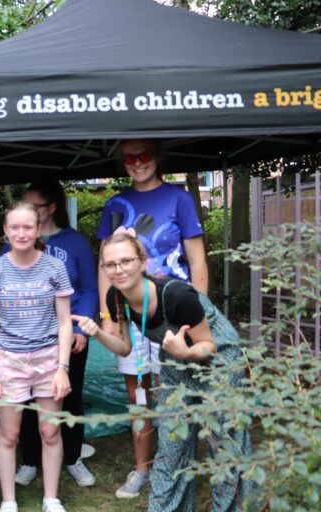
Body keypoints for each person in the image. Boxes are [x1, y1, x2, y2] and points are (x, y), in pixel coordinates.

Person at [73, 232, 252, 512]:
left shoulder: (176, 295)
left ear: (142, 262)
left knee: (224, 440)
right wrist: (98, 332)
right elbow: (124, 348)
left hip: (218, 357)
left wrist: (186, 352)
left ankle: (233, 508)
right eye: (110, 264)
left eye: (126, 261)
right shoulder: (115, 298)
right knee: (172, 441)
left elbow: (208, 344)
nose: (118, 269)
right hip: (175, 358)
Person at [96, 138, 208, 498]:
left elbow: (198, 261)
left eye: (144, 156)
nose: (137, 163)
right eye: (130, 158)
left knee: (175, 392)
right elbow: (104, 266)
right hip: (130, 314)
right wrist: (108, 316)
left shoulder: (180, 198)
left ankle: (175, 465)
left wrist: (199, 312)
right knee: (139, 395)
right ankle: (142, 468)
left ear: (157, 157)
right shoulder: (115, 204)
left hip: (175, 314)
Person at [0, 201, 74, 512]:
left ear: (38, 230)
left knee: (50, 431)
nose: (22, 233)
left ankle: (51, 498)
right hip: (9, 359)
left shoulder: (54, 267)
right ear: (6, 230)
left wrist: (62, 368)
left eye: (28, 227)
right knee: (9, 435)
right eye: (15, 227)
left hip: (48, 358)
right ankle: (9, 501)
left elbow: (64, 322)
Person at [3, 181, 98, 488]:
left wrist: (81, 328)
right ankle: (29, 461)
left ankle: (72, 458)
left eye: (35, 207)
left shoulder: (76, 243)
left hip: (69, 336)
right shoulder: (15, 243)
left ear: (51, 208)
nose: (29, 215)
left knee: (69, 398)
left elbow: (89, 288)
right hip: (27, 339)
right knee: (27, 400)